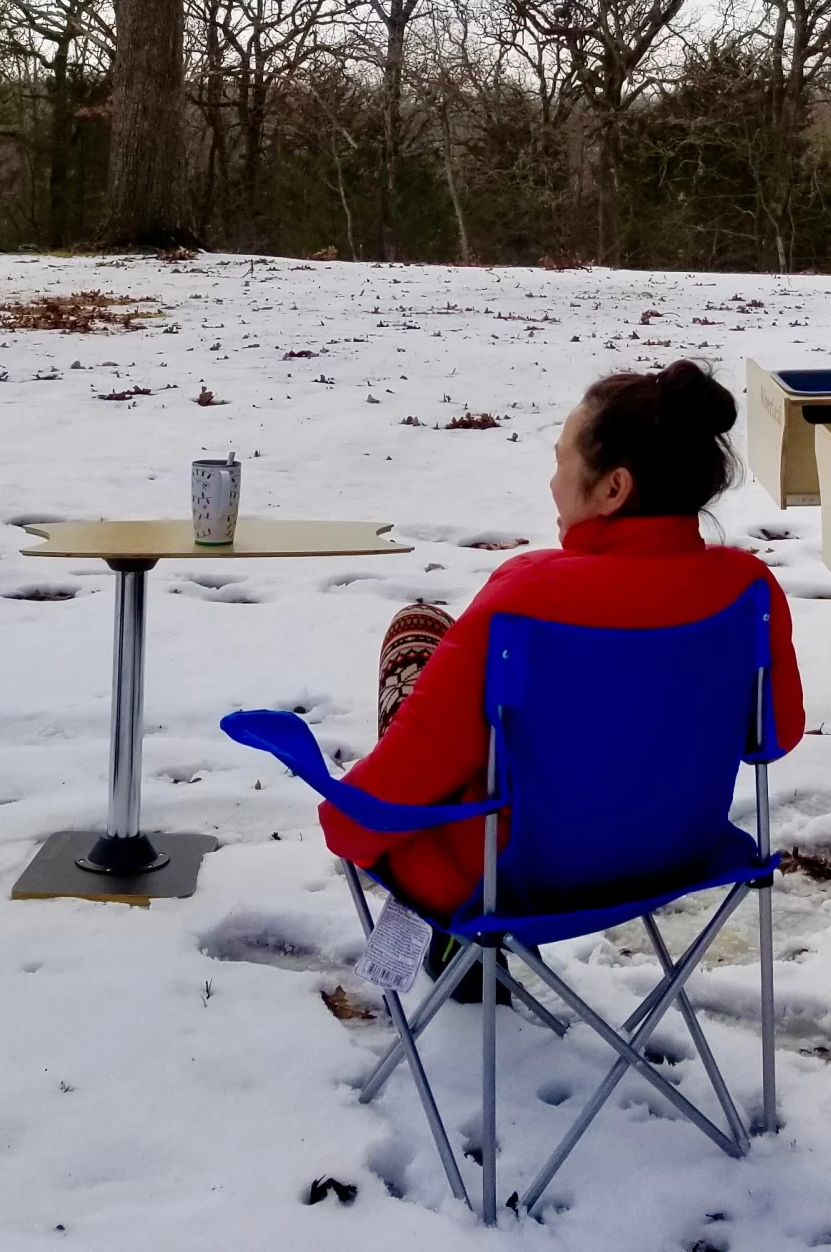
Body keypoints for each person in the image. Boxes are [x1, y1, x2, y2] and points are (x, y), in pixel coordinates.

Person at [322, 359, 805, 920]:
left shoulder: (528, 596)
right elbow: (776, 734)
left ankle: (453, 953)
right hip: (680, 858)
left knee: (418, 631)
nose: (553, 483)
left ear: (614, 488)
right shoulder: (747, 590)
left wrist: (344, 824)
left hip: (509, 880)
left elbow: (412, 770)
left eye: (561, 461)